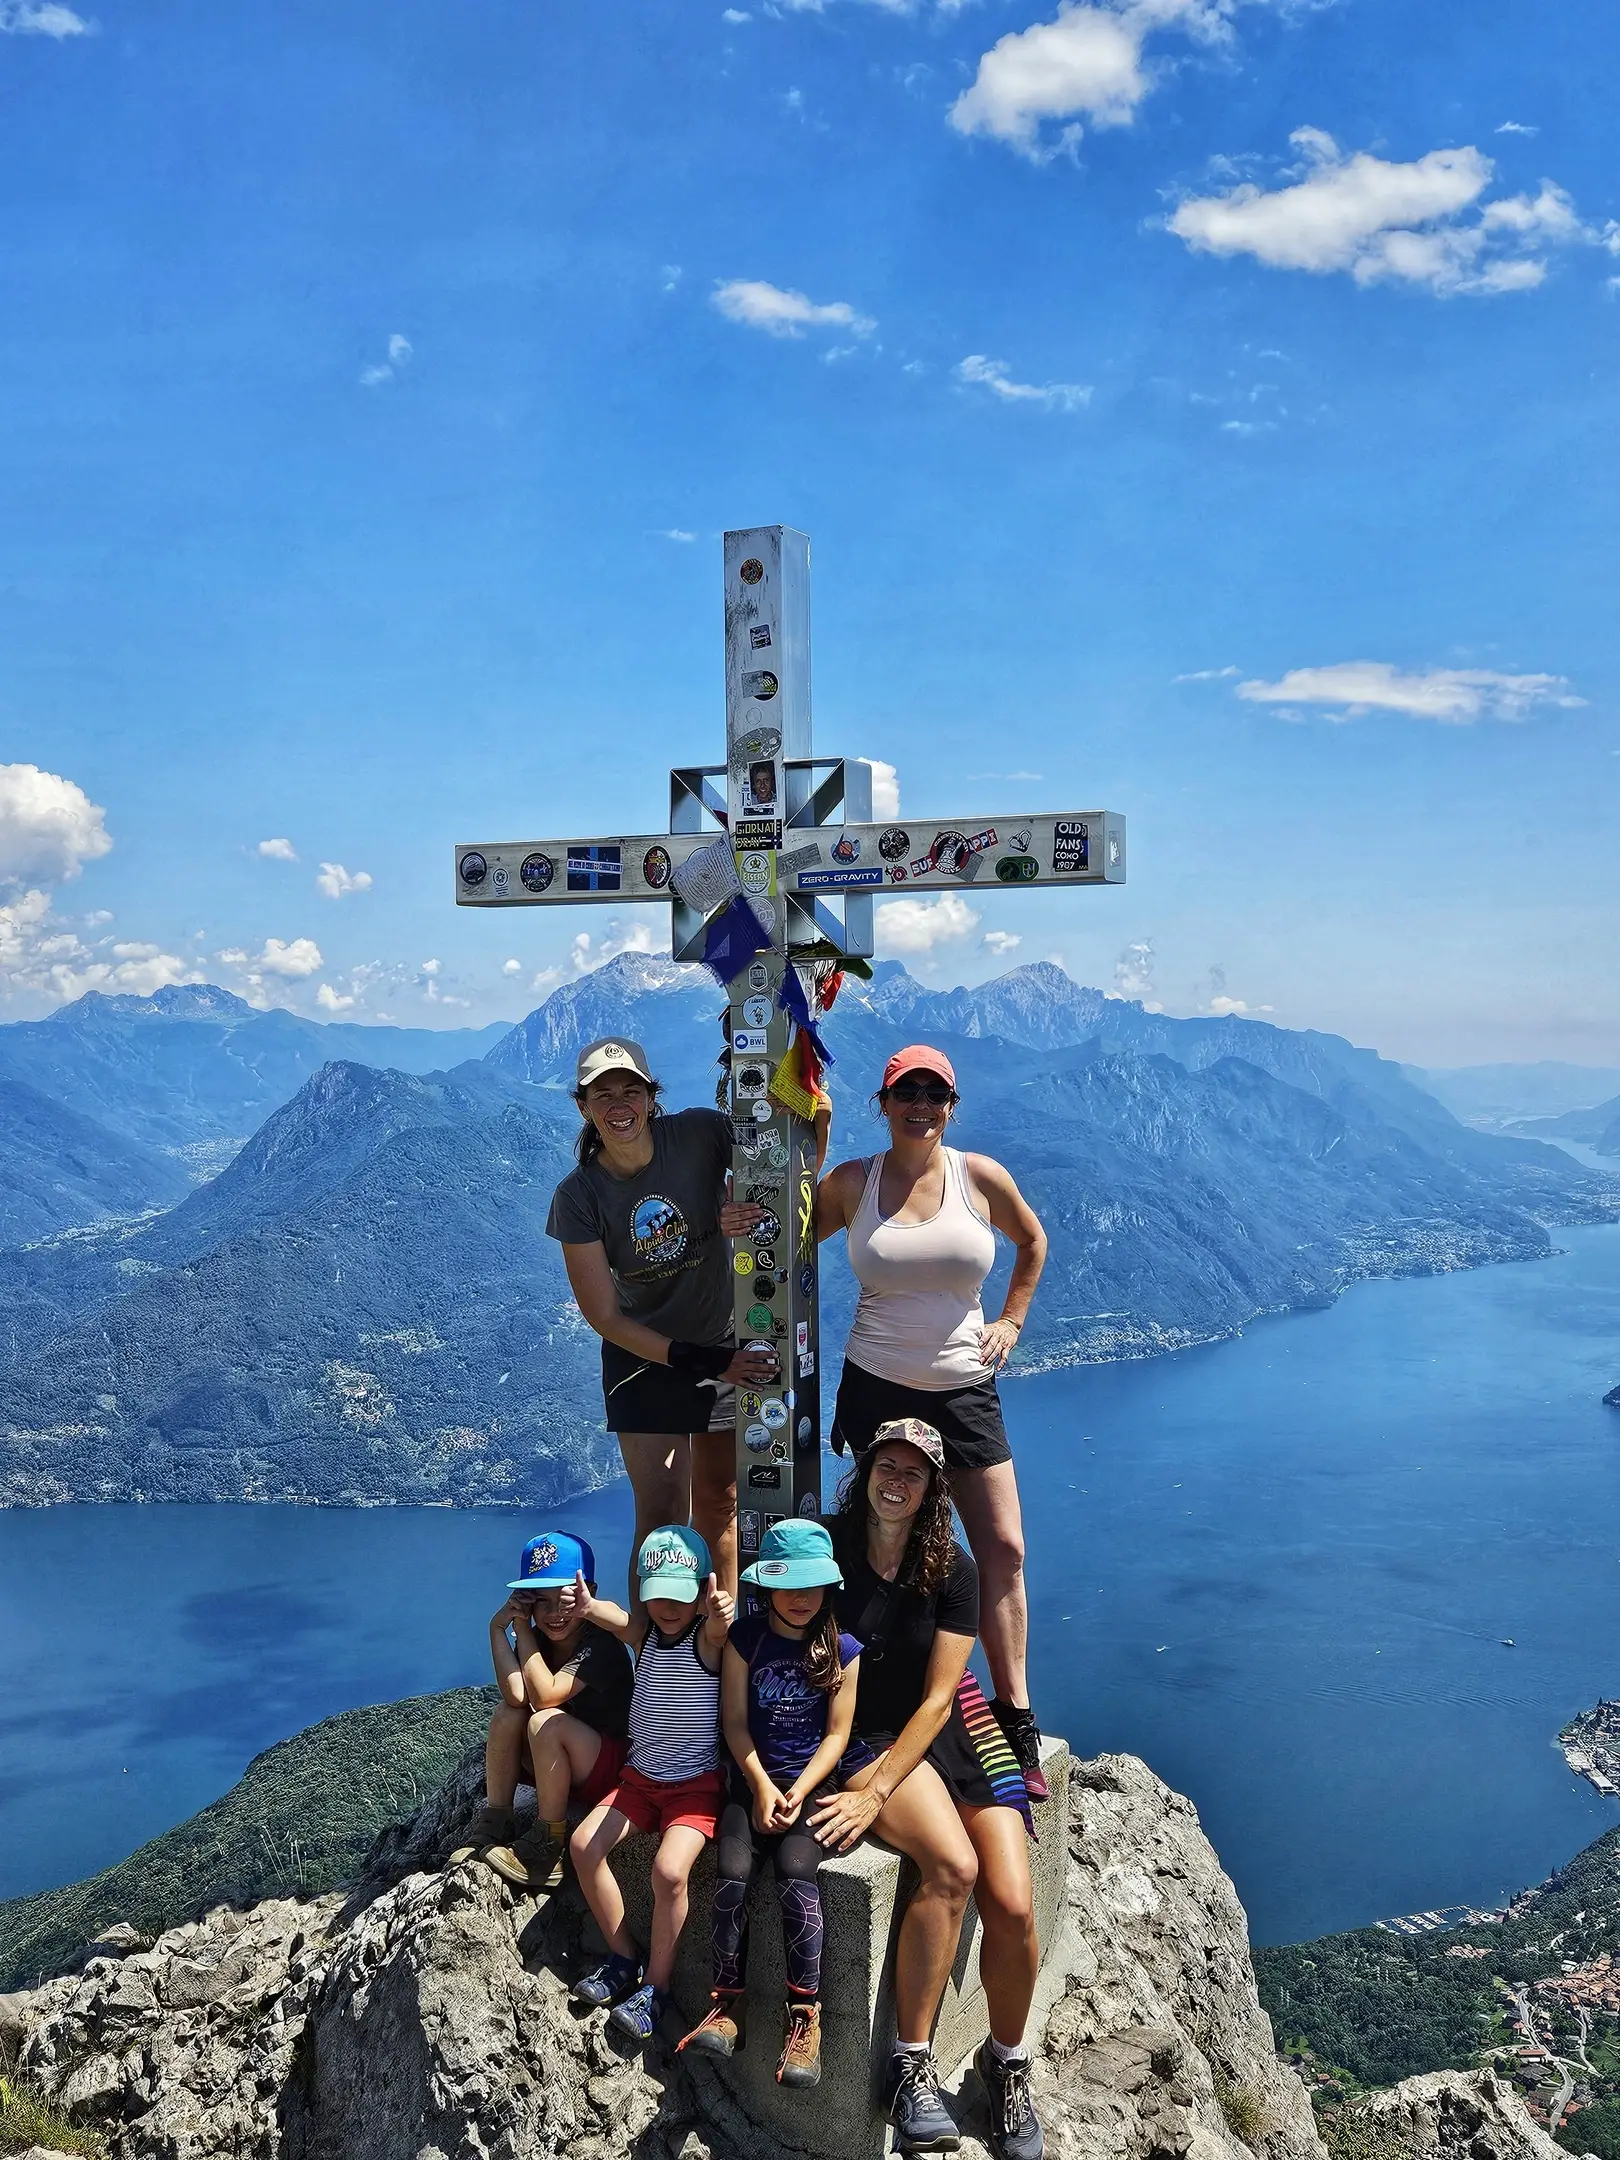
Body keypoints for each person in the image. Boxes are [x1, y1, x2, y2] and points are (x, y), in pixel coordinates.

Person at [816, 1044, 1051, 1799]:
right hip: (877, 1385)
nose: (921, 1104)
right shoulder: (855, 1182)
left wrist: (1011, 1321)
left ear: (952, 1105)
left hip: (962, 1387)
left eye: (936, 1093)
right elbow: (780, 1240)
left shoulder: (979, 1179)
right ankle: (896, 1705)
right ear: (882, 1103)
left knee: (1003, 1549)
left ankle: (1013, 1714)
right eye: (905, 1091)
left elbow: (1033, 1241)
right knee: (887, 1550)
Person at [811, 1420, 1045, 2160]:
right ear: (867, 1470)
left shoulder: (954, 1569)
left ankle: (1006, 2065)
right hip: (862, 1733)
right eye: (888, 1465)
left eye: (914, 1473)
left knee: (1010, 1900)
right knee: (953, 1869)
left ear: (932, 1489)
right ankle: (912, 2065)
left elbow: (942, 1696)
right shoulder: (827, 1546)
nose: (897, 1481)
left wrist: (875, 1797)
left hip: (949, 1723)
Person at [547, 1035, 781, 1602]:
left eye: (631, 1091)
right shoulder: (579, 1196)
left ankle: (718, 1654)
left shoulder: (699, 1133)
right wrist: (710, 1362)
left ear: (653, 1098)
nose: (619, 1105)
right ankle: (653, 1664)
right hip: (645, 1358)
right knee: (661, 1517)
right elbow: (604, 1315)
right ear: (583, 1107)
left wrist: (746, 1203)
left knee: (721, 1505)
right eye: (603, 1096)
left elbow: (776, 1165)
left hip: (721, 1343)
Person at [678, 1518, 867, 2091]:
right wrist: (760, 1785)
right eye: (790, 1586)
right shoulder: (746, 1640)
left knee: (793, 1869)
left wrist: (800, 1790)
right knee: (733, 1871)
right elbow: (733, 1722)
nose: (802, 1598)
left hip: (812, 1789)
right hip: (752, 1784)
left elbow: (837, 1736)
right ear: (768, 1586)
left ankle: (804, 2015)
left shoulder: (843, 1649)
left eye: (812, 1586)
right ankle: (726, 2005)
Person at [567, 1526, 734, 2044]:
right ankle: (623, 1957)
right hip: (639, 1781)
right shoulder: (646, 1635)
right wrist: (590, 1607)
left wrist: (720, 1612)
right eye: (657, 1592)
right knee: (581, 1845)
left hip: (693, 1787)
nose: (667, 1605)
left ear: (700, 1591)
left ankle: (656, 1990)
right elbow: (620, 1621)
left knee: (668, 1871)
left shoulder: (703, 1638)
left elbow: (718, 1632)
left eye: (680, 1594)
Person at [456, 1530, 634, 1887]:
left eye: (564, 1600)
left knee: (545, 1722)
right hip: (561, 1764)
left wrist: (522, 1630)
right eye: (541, 1602)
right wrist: (497, 1628)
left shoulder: (600, 1643)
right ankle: (496, 1819)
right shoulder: (538, 1639)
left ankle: (548, 1844)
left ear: (589, 1594)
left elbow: (544, 1697)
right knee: (506, 1716)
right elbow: (516, 1697)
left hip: (605, 1765)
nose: (553, 1614)